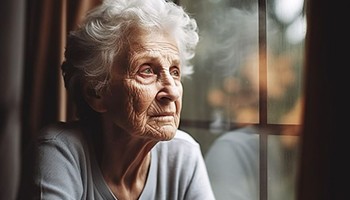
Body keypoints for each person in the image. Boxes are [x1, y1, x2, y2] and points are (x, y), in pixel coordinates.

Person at [30, 0, 215, 199]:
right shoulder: (61, 151)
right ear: (96, 93)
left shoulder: (183, 154)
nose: (172, 92)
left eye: (175, 72)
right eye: (146, 70)